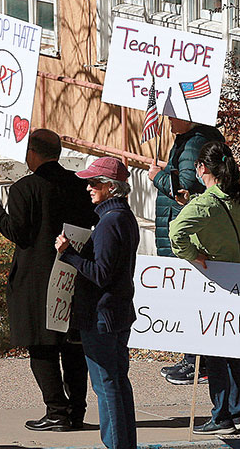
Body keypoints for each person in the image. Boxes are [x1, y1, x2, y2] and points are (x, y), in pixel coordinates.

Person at [0, 129, 97, 432]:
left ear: (32, 153)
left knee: (42, 346)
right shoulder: (79, 185)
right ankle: (76, 411)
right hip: (73, 271)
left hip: (36, 278)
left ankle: (56, 410)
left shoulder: (25, 188)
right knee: (72, 345)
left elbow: (18, 232)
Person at [55, 157, 139, 449]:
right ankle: (125, 443)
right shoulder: (123, 217)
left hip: (101, 315)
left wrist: (69, 254)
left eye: (94, 182)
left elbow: (101, 273)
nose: (88, 187)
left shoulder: (109, 222)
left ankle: (116, 444)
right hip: (117, 312)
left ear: (110, 187)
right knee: (116, 383)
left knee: (106, 386)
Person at [169, 141, 240, 435]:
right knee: (234, 354)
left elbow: (176, 233)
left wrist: (193, 254)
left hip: (213, 280)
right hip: (237, 278)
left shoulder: (204, 205)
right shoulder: (237, 199)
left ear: (202, 168)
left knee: (215, 355)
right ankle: (237, 414)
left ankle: (221, 415)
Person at [149, 117, 224, 384]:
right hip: (175, 223)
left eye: (172, 115)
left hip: (180, 226)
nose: (167, 120)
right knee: (185, 298)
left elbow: (186, 184)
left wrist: (157, 176)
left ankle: (197, 362)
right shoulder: (187, 140)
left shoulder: (194, 142)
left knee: (190, 298)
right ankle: (191, 359)